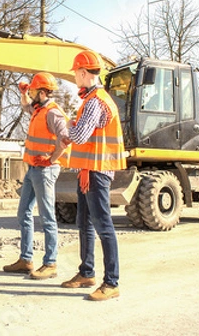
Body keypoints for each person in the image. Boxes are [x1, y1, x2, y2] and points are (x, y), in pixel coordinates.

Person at [60, 50, 126, 301]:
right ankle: (86, 272)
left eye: (76, 72)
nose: (74, 77)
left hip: (97, 171)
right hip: (89, 169)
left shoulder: (96, 101)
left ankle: (111, 282)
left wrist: (65, 123)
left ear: (84, 73)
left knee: (103, 226)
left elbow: (79, 136)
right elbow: (86, 138)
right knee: (84, 223)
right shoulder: (93, 99)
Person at [2, 73, 70, 280]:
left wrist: (51, 159)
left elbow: (65, 139)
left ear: (42, 92)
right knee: (24, 213)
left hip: (45, 170)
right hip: (33, 169)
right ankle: (26, 259)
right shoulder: (38, 109)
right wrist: (24, 93)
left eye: (32, 91)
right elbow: (25, 106)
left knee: (47, 217)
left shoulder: (53, 113)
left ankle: (50, 263)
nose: (30, 94)